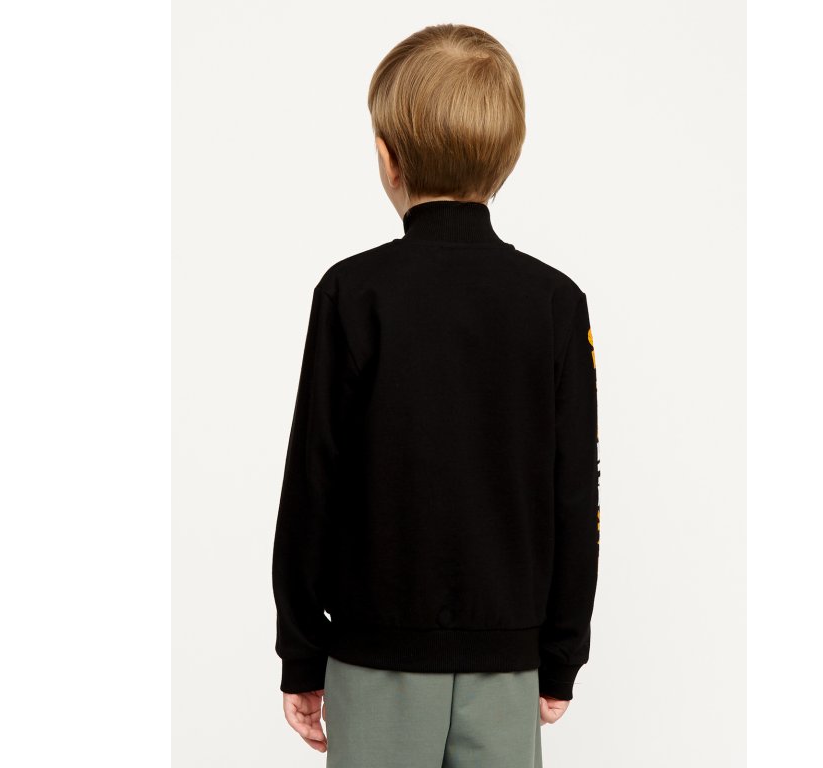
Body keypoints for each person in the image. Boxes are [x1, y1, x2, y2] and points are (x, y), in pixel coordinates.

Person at [272, 23, 600, 768]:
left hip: (373, 657)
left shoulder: (352, 293)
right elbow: (574, 492)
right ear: (509, 155)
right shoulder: (554, 302)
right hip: (507, 663)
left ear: (387, 156)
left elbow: (313, 483)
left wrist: (301, 649)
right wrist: (562, 653)